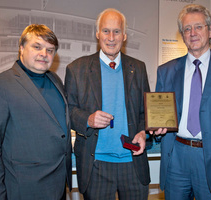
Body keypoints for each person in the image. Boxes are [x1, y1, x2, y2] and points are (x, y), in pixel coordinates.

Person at [151, 4, 211, 200]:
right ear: (182, 34)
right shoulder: (166, 71)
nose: (192, 33)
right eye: (187, 29)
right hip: (176, 158)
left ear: (210, 30)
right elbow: (159, 117)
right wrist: (156, 129)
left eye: (198, 27)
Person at [0, 24, 72, 200]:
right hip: (23, 188)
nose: (44, 54)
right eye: (37, 47)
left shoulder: (55, 80)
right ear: (21, 48)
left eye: (50, 50)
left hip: (57, 186)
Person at [65, 8, 150, 200]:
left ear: (125, 35)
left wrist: (143, 131)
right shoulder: (76, 69)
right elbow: (68, 110)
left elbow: (145, 112)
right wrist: (88, 119)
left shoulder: (138, 68)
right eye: (106, 31)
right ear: (97, 34)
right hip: (96, 165)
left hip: (133, 163)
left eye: (117, 31)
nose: (111, 37)